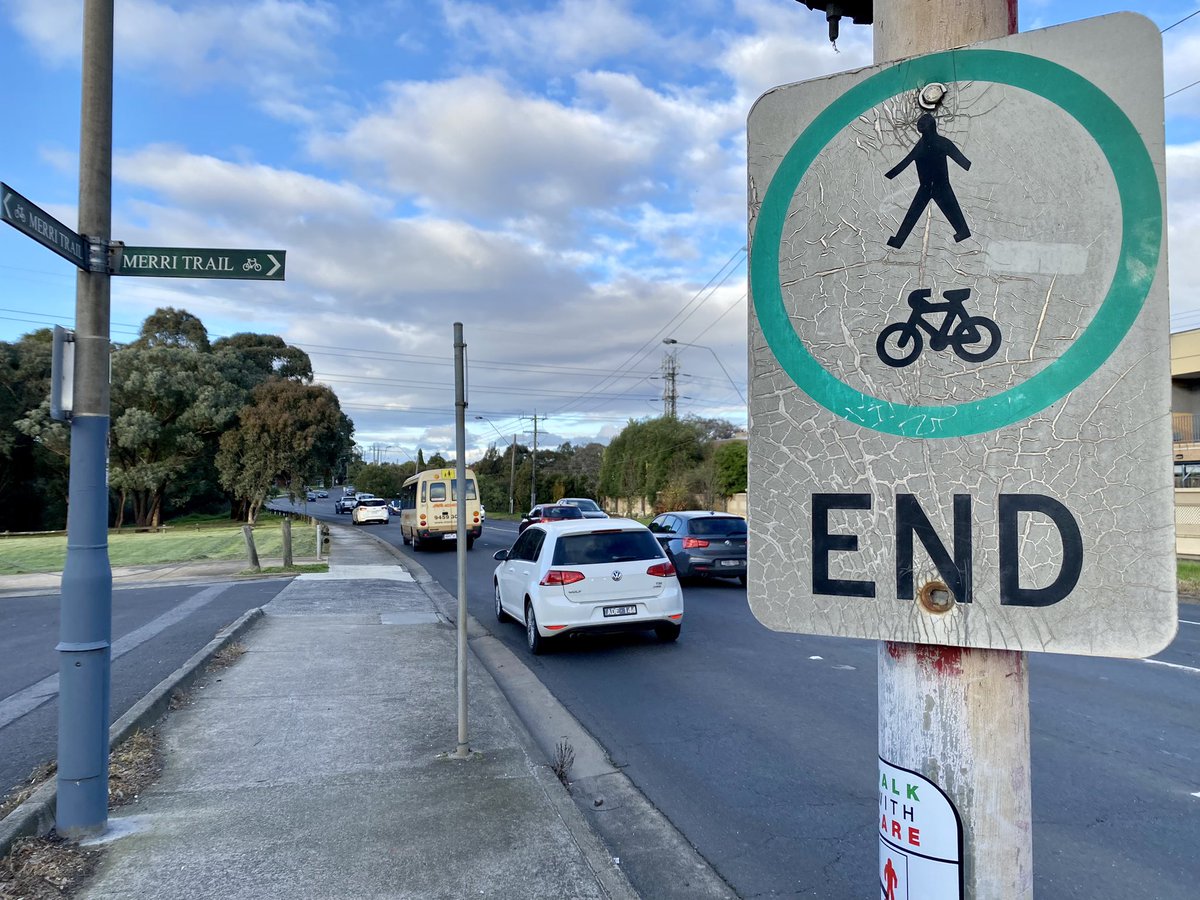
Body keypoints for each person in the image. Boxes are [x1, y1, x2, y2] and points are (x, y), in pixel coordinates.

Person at [884, 112, 972, 249]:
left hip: (938, 185)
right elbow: (907, 161)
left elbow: (960, 159)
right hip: (929, 186)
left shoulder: (933, 144)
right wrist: (890, 175)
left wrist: (891, 174)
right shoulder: (930, 144)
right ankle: (899, 240)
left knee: (949, 210)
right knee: (916, 213)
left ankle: (899, 241)